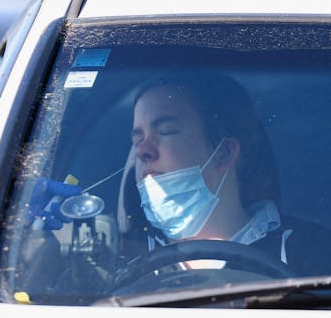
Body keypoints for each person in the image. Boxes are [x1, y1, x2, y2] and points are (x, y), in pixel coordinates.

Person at [129, 72, 331, 275]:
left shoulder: (313, 254)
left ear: (224, 153)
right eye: (137, 140)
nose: (142, 151)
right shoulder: (122, 260)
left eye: (166, 131)